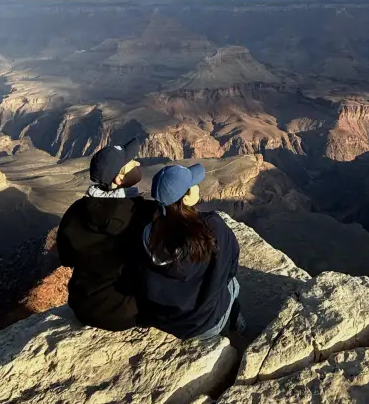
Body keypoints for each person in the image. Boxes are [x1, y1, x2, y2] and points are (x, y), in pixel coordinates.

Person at [138, 163, 245, 340]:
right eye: (193, 184)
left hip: (164, 319)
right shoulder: (211, 226)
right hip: (202, 325)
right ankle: (235, 325)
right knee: (233, 283)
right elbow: (231, 264)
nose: (198, 186)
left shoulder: (147, 233)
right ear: (186, 198)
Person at [57, 138, 145, 331]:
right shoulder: (142, 213)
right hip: (126, 312)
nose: (138, 164)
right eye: (131, 163)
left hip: (82, 306)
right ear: (119, 179)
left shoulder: (76, 211)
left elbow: (66, 258)